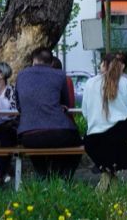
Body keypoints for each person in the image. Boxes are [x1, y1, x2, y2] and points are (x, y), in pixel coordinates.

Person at [16, 48, 82, 180]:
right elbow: (67, 103)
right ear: (51, 62)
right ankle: (64, 178)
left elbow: (19, 106)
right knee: (77, 143)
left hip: (29, 134)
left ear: (33, 60)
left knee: (35, 148)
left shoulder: (21, 75)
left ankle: (43, 175)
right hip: (59, 132)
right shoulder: (60, 75)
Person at [82, 53, 127, 191]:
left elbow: (85, 112)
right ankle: (111, 178)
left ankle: (107, 174)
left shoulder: (90, 83)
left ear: (103, 65)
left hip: (95, 139)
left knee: (94, 145)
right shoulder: (126, 82)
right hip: (121, 135)